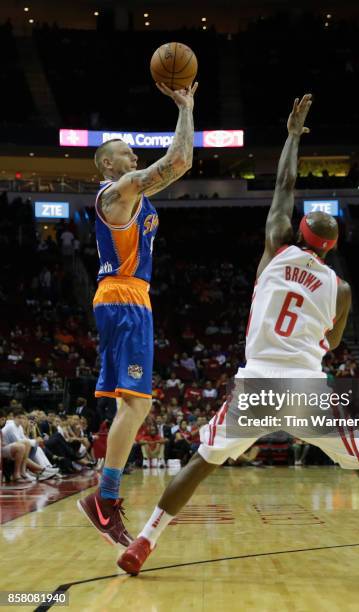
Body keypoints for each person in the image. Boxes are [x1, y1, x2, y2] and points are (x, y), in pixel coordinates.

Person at [118, 95, 359, 588]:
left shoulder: (276, 248)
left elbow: (284, 184)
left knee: (201, 463)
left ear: (298, 232)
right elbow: (336, 339)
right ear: (332, 248)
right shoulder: (340, 289)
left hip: (258, 381)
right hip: (306, 385)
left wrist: (293, 136)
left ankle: (144, 542)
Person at [77, 81, 198, 547]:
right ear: (108, 163)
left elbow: (176, 165)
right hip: (124, 297)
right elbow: (179, 161)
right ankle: (104, 499)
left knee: (134, 403)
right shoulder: (117, 192)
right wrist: (185, 108)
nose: (133, 158)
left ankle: (105, 497)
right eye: (127, 153)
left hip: (130, 298)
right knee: (138, 403)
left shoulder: (131, 196)